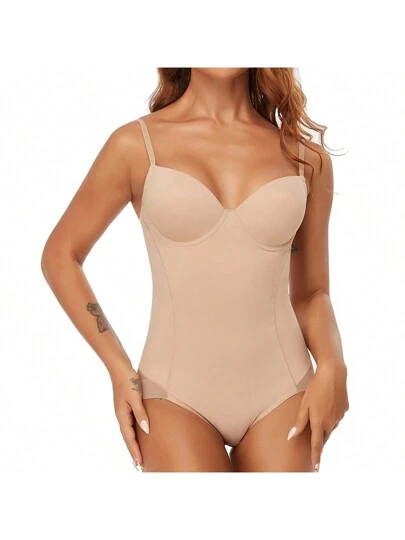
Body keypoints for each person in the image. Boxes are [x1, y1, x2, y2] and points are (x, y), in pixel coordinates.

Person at [41, 68, 349, 473]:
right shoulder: (136, 145)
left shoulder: (306, 159)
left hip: (284, 389)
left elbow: (311, 293)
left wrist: (333, 364)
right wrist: (119, 369)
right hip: (174, 394)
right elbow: (60, 255)